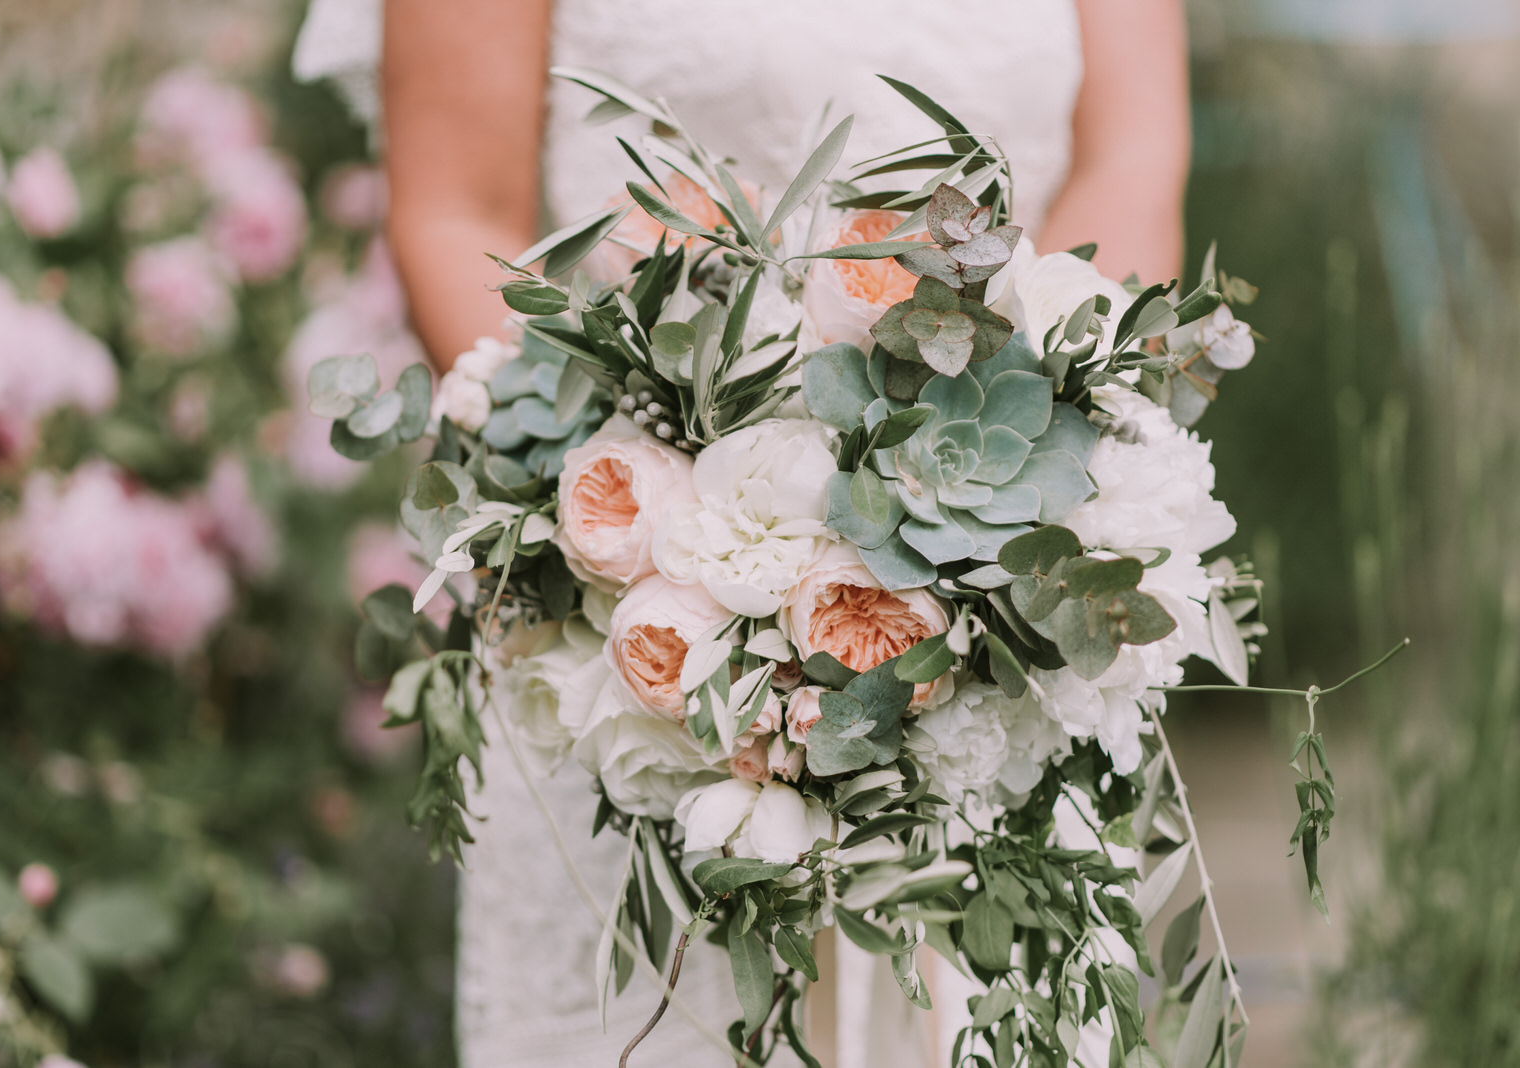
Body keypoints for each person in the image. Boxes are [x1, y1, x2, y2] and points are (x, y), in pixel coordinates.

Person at [298, 1, 1190, 1064]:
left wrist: (1022, 518)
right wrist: (642, 543)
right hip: (641, 635)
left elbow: (1131, 159)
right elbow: (453, 208)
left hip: (1011, 637)